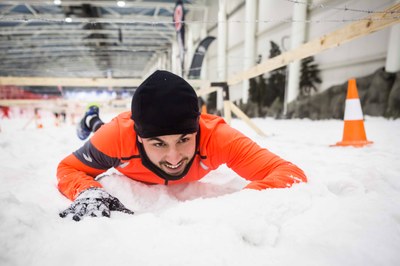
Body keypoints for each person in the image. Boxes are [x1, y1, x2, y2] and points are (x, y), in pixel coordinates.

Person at [57, 70, 307, 221]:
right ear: (139, 138)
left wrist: (239, 204)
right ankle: (91, 119)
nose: (174, 157)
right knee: (102, 131)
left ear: (197, 129)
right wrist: (87, 190)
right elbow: (68, 168)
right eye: (158, 144)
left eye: (184, 140)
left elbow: (290, 174)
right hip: (110, 133)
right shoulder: (116, 137)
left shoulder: (216, 136)